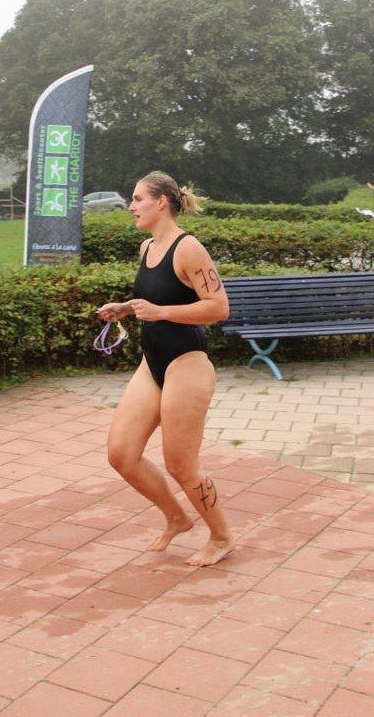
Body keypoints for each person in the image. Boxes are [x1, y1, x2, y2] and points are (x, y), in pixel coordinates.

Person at [97, 171, 233, 567]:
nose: (132, 206)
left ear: (161, 202)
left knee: (180, 463)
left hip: (187, 364)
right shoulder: (147, 247)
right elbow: (155, 296)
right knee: (121, 454)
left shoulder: (189, 248)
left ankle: (222, 536)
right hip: (151, 363)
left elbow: (219, 308)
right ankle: (176, 517)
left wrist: (162, 313)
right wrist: (126, 308)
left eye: (138, 198)